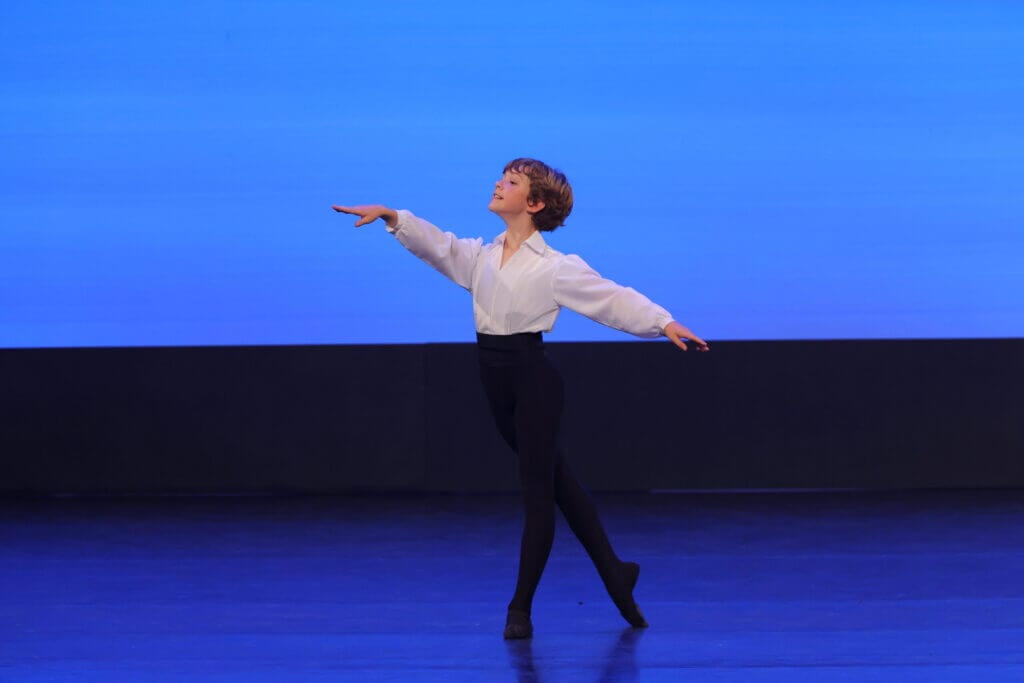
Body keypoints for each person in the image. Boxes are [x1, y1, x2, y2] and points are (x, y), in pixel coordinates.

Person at [333, 158, 708, 639]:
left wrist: (662, 322)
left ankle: (520, 609)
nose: (498, 184)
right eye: (501, 178)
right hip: (495, 380)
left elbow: (611, 297)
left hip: (533, 382)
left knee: (538, 495)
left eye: (511, 182)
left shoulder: (555, 267)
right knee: (560, 484)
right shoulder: (481, 257)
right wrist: (393, 217)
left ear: (534, 203)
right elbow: (439, 246)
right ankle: (616, 573)